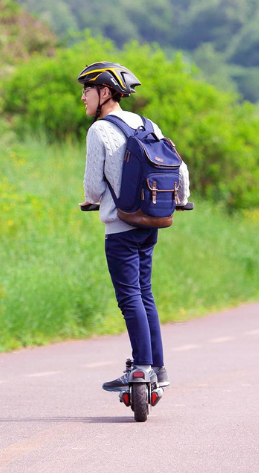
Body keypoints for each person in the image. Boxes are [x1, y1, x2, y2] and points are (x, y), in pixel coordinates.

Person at [76, 62, 190, 391]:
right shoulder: (146, 123)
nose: (83, 98)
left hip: (121, 228)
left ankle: (140, 368)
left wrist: (91, 199)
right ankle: (158, 367)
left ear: (105, 92)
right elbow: (179, 169)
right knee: (145, 294)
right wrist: (180, 201)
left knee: (129, 298)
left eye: (87, 91)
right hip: (151, 221)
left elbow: (94, 188)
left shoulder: (99, 130)